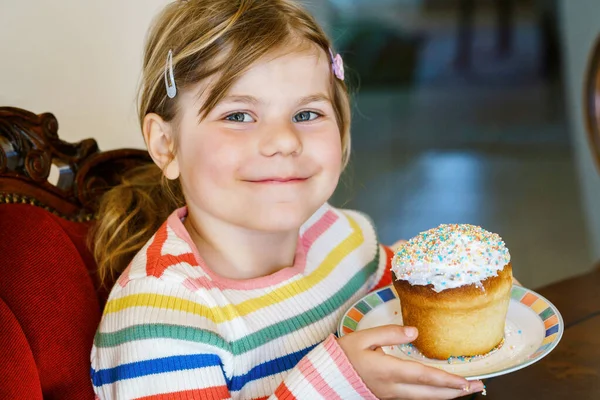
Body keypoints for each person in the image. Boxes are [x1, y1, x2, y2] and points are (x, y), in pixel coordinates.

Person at [90, 0, 486, 398]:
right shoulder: (161, 321)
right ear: (166, 145)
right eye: (239, 116)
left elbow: (403, 308)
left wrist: (462, 290)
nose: (283, 140)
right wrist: (343, 381)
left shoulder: (340, 236)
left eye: (307, 114)